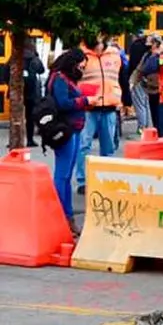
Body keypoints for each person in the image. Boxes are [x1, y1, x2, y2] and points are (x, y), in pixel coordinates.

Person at [48, 49, 89, 228]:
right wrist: (85, 101)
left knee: (67, 174)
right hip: (65, 130)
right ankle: (61, 214)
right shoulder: (59, 78)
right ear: (73, 62)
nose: (82, 69)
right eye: (81, 65)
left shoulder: (67, 78)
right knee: (63, 174)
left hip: (74, 129)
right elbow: (63, 103)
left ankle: (68, 213)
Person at [76, 37, 123, 194]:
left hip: (109, 105)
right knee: (84, 145)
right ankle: (83, 181)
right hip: (88, 107)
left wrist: (124, 101)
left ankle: (107, 179)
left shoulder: (115, 54)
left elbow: (122, 76)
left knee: (108, 147)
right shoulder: (81, 55)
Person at [129, 34, 163, 133]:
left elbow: (149, 68)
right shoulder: (147, 54)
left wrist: (155, 55)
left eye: (149, 42)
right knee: (151, 111)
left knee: (158, 115)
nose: (146, 44)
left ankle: (149, 130)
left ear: (155, 43)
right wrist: (132, 82)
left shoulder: (162, 55)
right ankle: (148, 130)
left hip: (161, 89)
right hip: (150, 88)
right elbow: (140, 69)